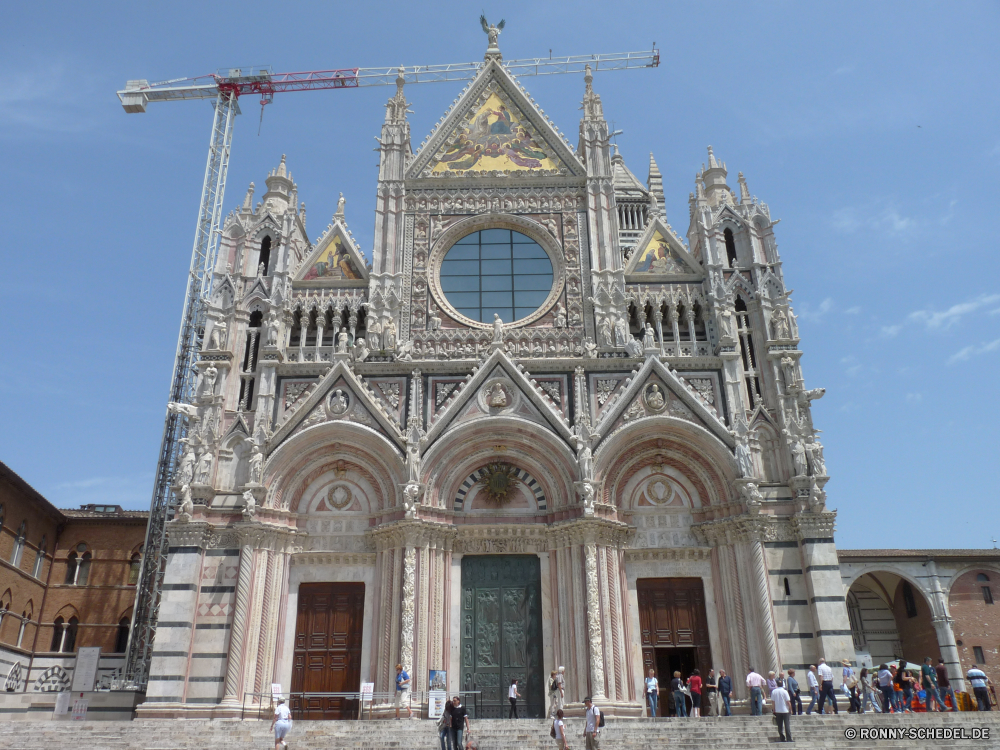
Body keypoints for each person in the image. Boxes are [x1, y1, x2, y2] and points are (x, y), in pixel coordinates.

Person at [771, 678, 792, 743]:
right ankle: (789, 738)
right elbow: (788, 701)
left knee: (779, 725)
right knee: (787, 724)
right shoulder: (785, 691)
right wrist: (790, 709)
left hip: (778, 711)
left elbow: (773, 702)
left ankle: (782, 737)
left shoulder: (774, 691)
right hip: (785, 710)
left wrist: (774, 710)